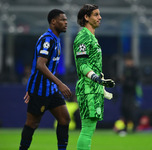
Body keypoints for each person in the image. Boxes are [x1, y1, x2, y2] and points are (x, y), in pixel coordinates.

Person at [19, 9, 72, 150]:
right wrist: (60, 84)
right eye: (62, 20)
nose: (66, 22)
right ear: (53, 22)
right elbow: (40, 65)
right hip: (40, 90)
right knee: (32, 124)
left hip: (51, 90)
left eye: (66, 20)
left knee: (64, 119)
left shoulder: (56, 39)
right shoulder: (47, 40)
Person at [73, 4, 115, 150]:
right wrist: (97, 79)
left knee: (89, 130)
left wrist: (101, 87)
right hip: (88, 88)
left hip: (94, 88)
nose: (100, 17)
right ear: (86, 17)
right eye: (96, 14)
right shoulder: (83, 36)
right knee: (87, 130)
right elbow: (82, 65)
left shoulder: (92, 37)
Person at [120, 55, 141, 132]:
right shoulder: (125, 69)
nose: (127, 62)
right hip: (125, 92)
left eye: (128, 61)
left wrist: (126, 81)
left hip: (132, 93)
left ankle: (134, 126)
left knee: (131, 110)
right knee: (124, 109)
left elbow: (135, 81)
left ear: (132, 61)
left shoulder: (135, 70)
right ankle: (125, 126)